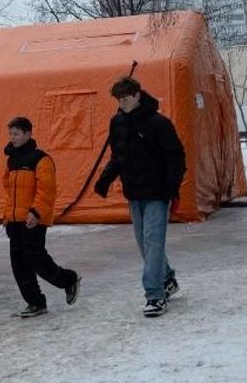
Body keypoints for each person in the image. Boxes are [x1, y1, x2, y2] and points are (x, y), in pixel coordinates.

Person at [94, 76, 186, 318]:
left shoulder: (159, 123)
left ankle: (155, 295)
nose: (122, 104)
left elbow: (175, 157)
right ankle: (167, 279)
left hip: (157, 193)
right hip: (134, 192)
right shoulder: (117, 123)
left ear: (137, 95)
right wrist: (105, 178)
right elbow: (119, 156)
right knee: (144, 243)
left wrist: (172, 188)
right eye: (119, 100)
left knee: (153, 241)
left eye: (125, 99)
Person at [1, 116, 81, 318]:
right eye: (10, 134)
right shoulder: (11, 160)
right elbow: (9, 190)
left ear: (28, 134)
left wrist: (36, 212)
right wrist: (7, 216)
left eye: (16, 134)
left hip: (33, 220)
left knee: (36, 259)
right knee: (18, 264)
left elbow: (47, 190)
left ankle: (69, 279)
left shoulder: (41, 159)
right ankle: (35, 302)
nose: (13, 138)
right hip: (15, 220)